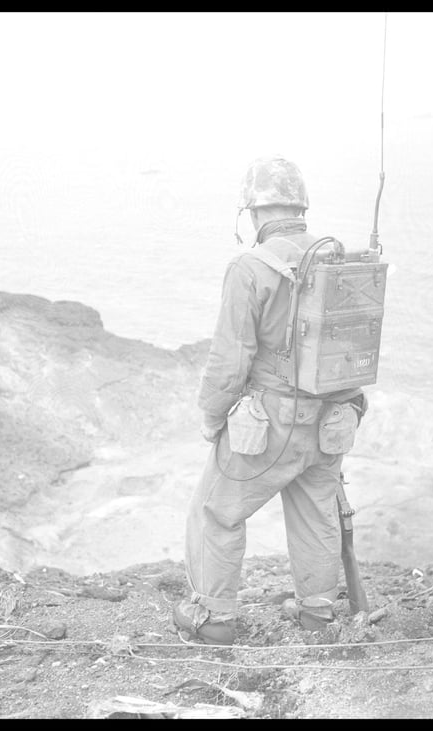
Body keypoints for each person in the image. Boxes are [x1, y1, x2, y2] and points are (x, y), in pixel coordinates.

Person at [172, 155, 368, 644]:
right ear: (300, 207)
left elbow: (229, 360)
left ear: (252, 211)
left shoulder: (248, 268)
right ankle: (317, 615)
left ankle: (213, 618)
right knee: (315, 510)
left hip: (272, 426)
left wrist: (212, 417)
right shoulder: (338, 261)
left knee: (214, 511)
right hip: (332, 420)